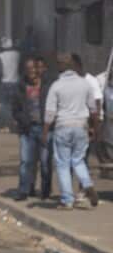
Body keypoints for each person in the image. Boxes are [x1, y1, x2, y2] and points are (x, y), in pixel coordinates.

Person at [43, 53, 99, 210]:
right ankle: (87, 184)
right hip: (81, 126)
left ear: (61, 67)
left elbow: (49, 113)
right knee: (78, 160)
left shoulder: (56, 86)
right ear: (74, 66)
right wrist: (95, 127)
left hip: (63, 126)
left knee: (62, 164)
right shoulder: (84, 84)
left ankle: (67, 200)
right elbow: (93, 109)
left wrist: (45, 132)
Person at [10, 55, 52, 201]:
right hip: (27, 130)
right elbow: (15, 109)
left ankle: (46, 191)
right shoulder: (20, 87)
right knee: (26, 161)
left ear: (38, 68)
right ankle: (23, 190)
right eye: (28, 69)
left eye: (33, 68)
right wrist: (22, 120)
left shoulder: (47, 86)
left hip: (44, 129)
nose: (31, 71)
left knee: (45, 162)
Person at [0, 37, 22, 128]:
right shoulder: (18, 54)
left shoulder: (0, 56)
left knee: (4, 105)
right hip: (16, 83)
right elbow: (21, 68)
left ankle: (6, 125)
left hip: (4, 83)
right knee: (15, 105)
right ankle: (14, 123)